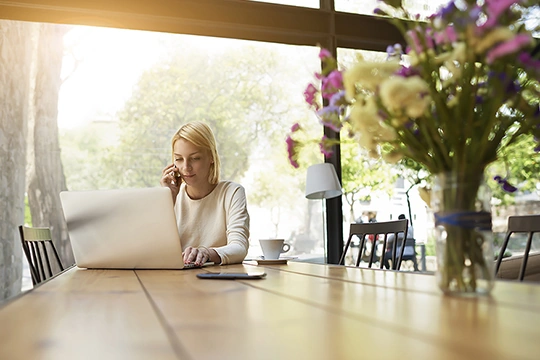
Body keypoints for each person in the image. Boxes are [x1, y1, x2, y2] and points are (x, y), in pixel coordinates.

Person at [160, 121, 250, 266]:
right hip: (176, 281)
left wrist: (207, 253)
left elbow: (239, 247)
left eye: (195, 158)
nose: (186, 167)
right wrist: (167, 201)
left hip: (220, 282)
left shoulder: (231, 193)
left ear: (211, 158)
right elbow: (156, 251)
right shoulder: (172, 197)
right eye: (178, 159)